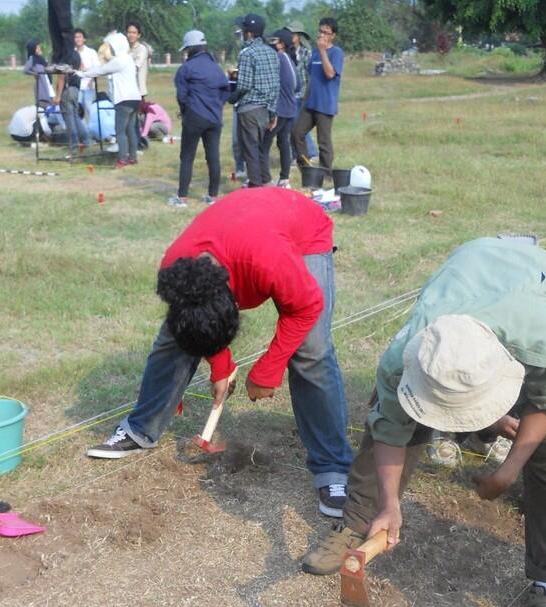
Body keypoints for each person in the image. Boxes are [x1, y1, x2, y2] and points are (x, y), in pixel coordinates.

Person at [301, 237, 546, 607]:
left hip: (536, 286)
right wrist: (390, 505)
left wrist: (508, 472)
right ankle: (357, 522)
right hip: (470, 274)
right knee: (392, 413)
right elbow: (390, 429)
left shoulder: (544, 339)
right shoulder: (406, 355)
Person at [87, 189, 353, 518]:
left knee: (311, 349)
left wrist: (267, 370)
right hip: (245, 225)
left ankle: (333, 468)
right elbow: (200, 327)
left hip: (300, 226)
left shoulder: (265, 261)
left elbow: (306, 306)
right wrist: (221, 366)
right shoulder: (177, 271)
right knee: (175, 336)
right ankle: (141, 428)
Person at [169, 29, 230, 209]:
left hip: (195, 117)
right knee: (213, 157)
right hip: (214, 118)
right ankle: (212, 196)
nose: (186, 52)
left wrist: (186, 111)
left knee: (187, 157)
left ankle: (182, 198)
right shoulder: (216, 67)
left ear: (192, 48)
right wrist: (217, 104)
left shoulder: (186, 68)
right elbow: (226, 90)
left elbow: (182, 96)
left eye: (187, 49)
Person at [230, 13, 279, 187]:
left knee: (250, 150)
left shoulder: (247, 53)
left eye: (243, 29)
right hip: (266, 109)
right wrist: (273, 113)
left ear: (249, 33)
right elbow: (275, 85)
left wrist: (231, 97)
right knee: (260, 150)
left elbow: (243, 85)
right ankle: (266, 182)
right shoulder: (272, 53)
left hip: (249, 108)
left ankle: (256, 187)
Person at [79, 31, 140, 167]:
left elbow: (101, 70)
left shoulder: (119, 61)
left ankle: (122, 160)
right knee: (130, 130)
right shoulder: (128, 58)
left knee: (120, 132)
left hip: (124, 100)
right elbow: (104, 66)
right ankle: (133, 157)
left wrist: (82, 74)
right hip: (135, 99)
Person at [293, 17, 343, 172]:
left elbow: (329, 74)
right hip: (310, 103)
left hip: (325, 105)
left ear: (333, 35)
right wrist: (304, 101)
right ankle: (307, 169)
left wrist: (323, 51)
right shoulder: (313, 53)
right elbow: (311, 78)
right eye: (320, 31)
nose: (322, 35)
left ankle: (326, 174)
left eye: (326, 33)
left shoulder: (336, 53)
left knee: (324, 142)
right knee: (296, 134)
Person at [260, 29, 298, 188]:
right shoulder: (290, 59)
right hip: (291, 109)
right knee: (283, 143)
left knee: (263, 144)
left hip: (279, 110)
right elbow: (298, 86)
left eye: (274, 40)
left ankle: (264, 179)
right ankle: (284, 179)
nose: (272, 43)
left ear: (281, 44)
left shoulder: (278, 59)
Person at [283, 20, 317, 162]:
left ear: (298, 36)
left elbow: (311, 75)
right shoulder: (285, 53)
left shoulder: (306, 53)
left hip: (302, 95)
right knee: (290, 127)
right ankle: (297, 155)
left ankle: (311, 152)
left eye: (291, 34)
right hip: (290, 95)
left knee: (298, 126)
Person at [22, 40, 56, 144]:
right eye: (37, 48)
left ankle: (50, 133)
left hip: (47, 84)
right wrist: (34, 74)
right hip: (41, 87)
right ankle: (45, 134)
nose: (39, 49)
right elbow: (25, 70)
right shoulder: (33, 59)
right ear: (33, 50)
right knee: (44, 109)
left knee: (52, 108)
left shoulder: (41, 59)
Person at [74, 29, 101, 141]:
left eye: (80, 37)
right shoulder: (72, 52)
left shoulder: (91, 52)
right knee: (78, 111)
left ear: (84, 39)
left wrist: (92, 79)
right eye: (76, 37)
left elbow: (97, 68)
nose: (78, 39)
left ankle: (94, 134)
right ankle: (83, 135)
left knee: (90, 110)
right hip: (77, 86)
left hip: (89, 86)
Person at [127, 20, 152, 101]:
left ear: (139, 35)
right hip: (126, 91)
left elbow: (135, 67)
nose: (131, 35)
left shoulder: (142, 49)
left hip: (138, 91)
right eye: (129, 32)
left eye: (134, 33)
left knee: (138, 113)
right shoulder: (125, 49)